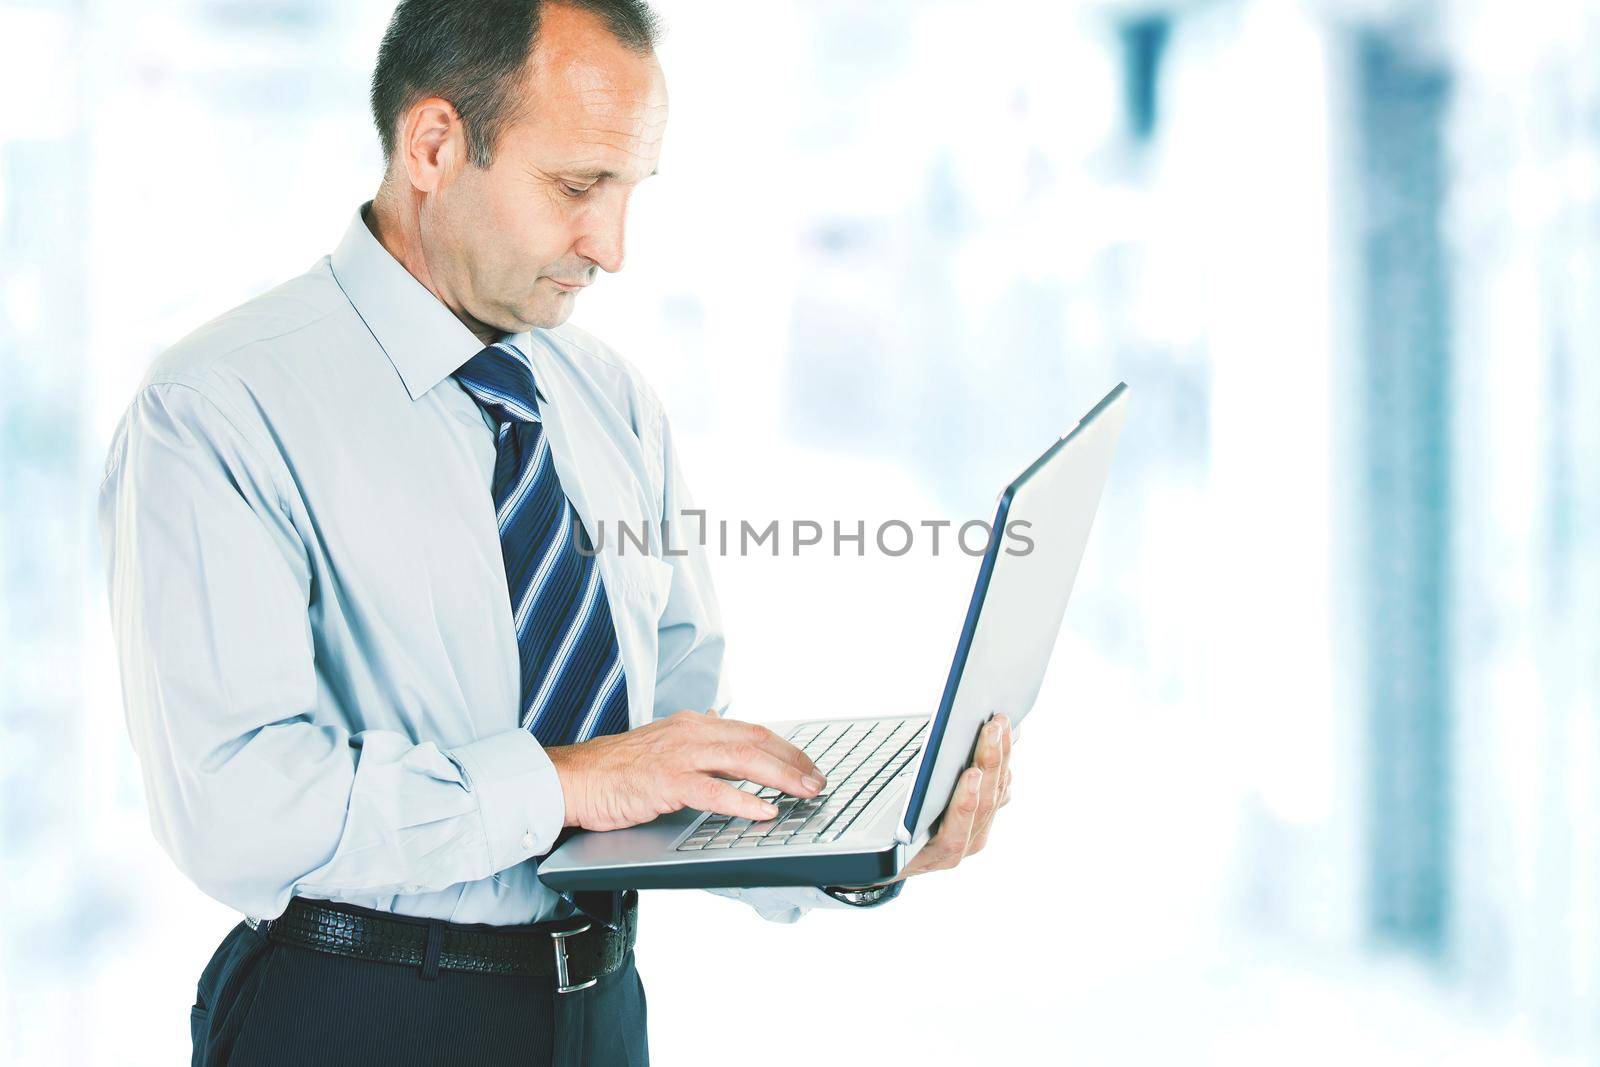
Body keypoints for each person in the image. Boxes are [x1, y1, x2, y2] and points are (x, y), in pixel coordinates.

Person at [96, 2, 1014, 1064]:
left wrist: (858, 844)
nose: (612, 248)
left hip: (600, 1010)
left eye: (629, 192)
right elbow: (238, 807)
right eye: (578, 187)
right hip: (354, 1012)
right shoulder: (221, 404)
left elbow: (663, 749)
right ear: (434, 145)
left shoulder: (606, 399)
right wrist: (565, 780)